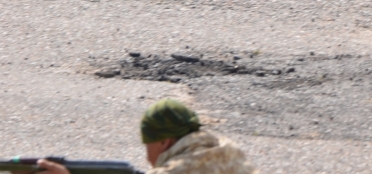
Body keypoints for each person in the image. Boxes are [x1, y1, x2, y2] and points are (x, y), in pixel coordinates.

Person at [33, 99, 256, 174]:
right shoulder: (229, 151)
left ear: (164, 141)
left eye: (147, 145)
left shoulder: (176, 170)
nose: (148, 156)